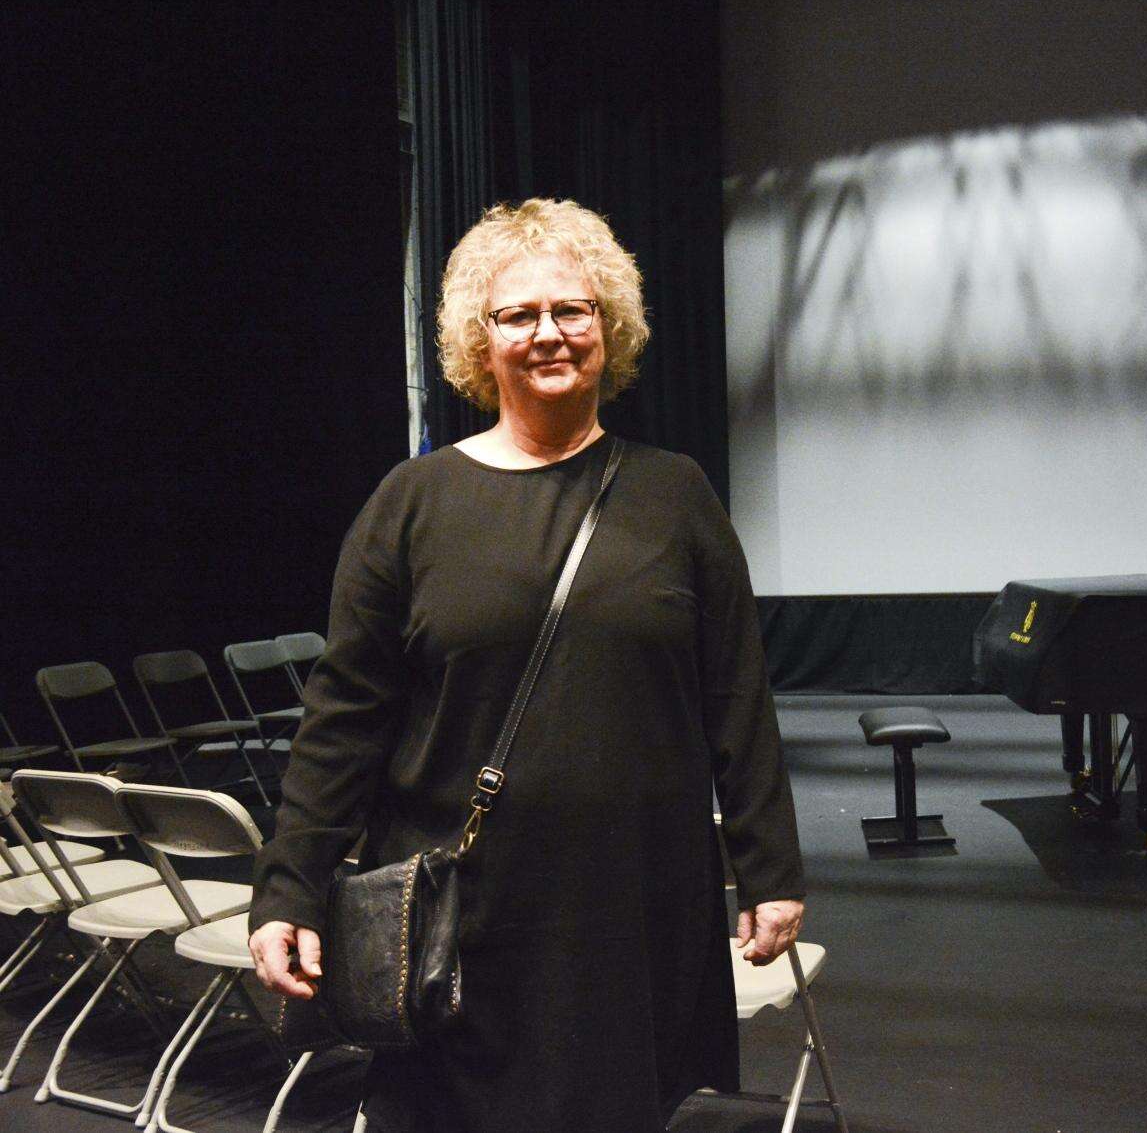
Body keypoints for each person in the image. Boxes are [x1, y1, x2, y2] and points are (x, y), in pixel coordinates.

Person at [248, 198, 805, 1132]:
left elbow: (736, 698)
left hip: (630, 902)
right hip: (458, 908)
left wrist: (770, 868)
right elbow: (343, 715)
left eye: (572, 310)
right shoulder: (412, 502)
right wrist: (289, 886)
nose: (548, 333)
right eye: (518, 315)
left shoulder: (674, 495)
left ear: (608, 327)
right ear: (482, 339)